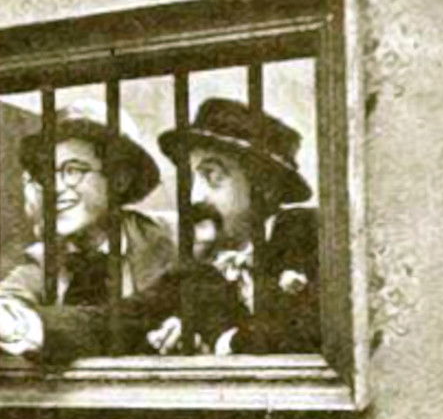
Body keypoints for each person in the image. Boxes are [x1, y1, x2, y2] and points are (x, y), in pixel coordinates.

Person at [29, 97, 321, 359]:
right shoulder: (196, 271)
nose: (193, 197)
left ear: (265, 186)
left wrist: (220, 339)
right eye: (190, 179)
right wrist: (15, 324)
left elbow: (319, 330)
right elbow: (110, 322)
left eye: (212, 175)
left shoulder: (314, 235)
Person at [0, 98, 175, 357]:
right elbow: (4, 311)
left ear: (120, 179)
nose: (55, 188)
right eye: (47, 175)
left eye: (73, 170)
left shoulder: (173, 238)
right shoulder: (40, 262)